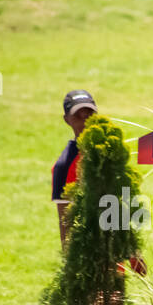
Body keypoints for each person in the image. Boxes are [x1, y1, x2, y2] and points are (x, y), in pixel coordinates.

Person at [52, 89, 97, 247]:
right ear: (67, 120)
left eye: (89, 113)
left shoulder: (109, 152)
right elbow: (65, 222)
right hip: (86, 248)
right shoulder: (64, 165)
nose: (84, 120)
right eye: (78, 115)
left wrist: (132, 250)